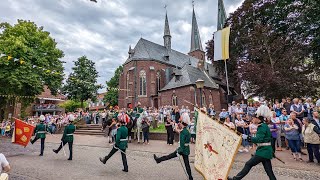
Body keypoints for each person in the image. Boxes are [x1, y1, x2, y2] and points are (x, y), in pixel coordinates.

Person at [228, 114, 276, 180]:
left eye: (253, 118)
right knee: (269, 170)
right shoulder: (264, 126)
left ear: (258, 118)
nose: (252, 119)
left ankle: (235, 179)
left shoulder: (261, 127)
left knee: (248, 164)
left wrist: (247, 137)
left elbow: (259, 139)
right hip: (265, 151)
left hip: (263, 152)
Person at [153, 113, 193, 180]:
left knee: (169, 156)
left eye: (180, 122)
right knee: (187, 165)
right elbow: (182, 135)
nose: (179, 123)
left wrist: (178, 151)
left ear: (182, 123)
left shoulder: (183, 132)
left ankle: (158, 160)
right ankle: (190, 177)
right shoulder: (187, 130)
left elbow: (182, 143)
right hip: (186, 150)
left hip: (182, 150)